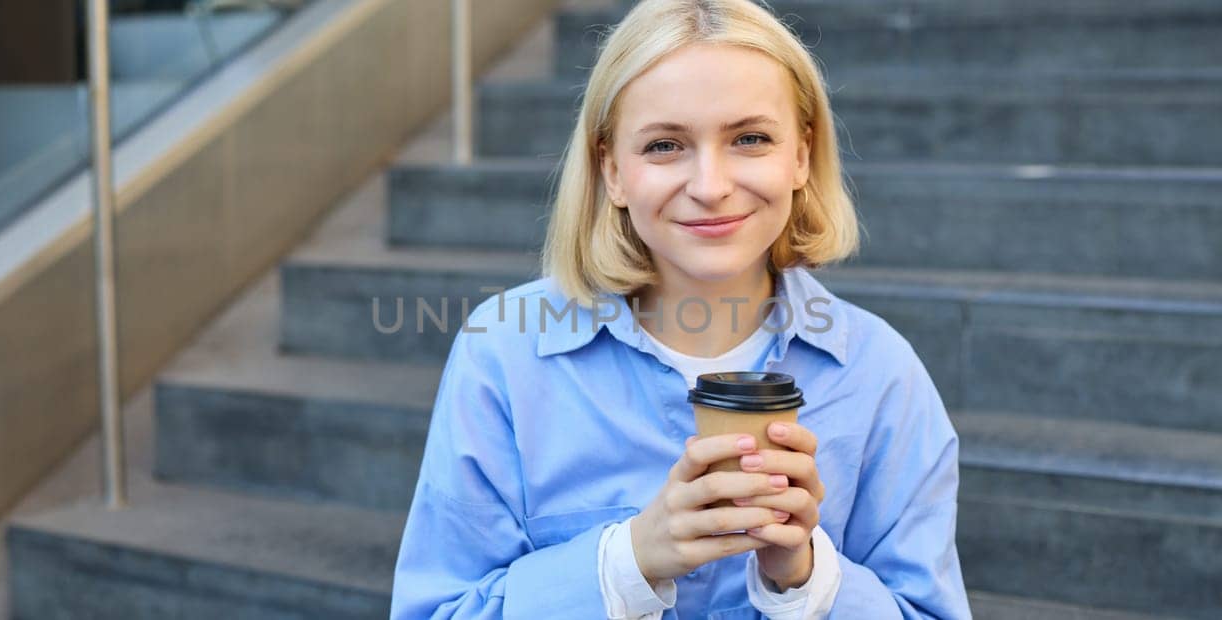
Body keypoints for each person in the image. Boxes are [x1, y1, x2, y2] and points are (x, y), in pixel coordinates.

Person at [390, 0, 970, 617]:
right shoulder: (503, 353)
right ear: (611, 170)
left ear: (801, 155)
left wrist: (805, 578)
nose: (710, 185)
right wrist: (629, 560)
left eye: (750, 138)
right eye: (665, 146)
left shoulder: (880, 374)